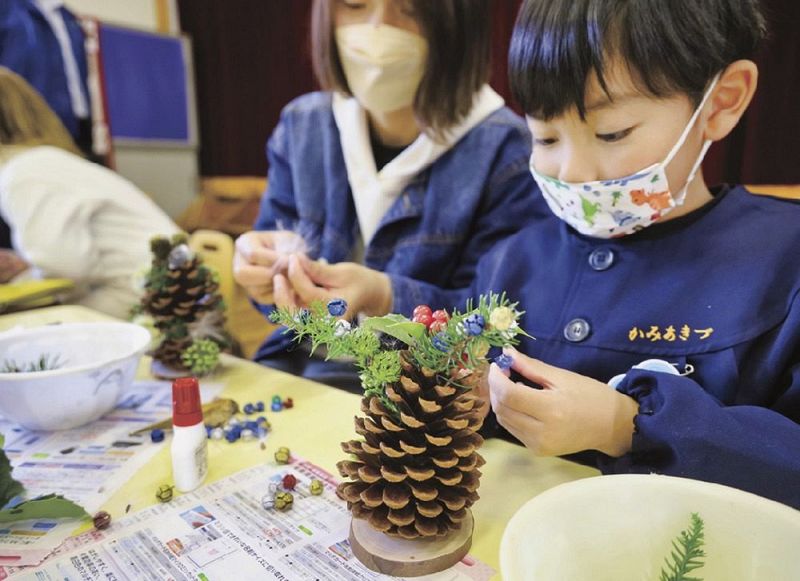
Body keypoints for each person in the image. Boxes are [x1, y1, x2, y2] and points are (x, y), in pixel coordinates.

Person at [470, 0, 800, 509]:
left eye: (611, 132)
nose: (573, 171)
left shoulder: (782, 261)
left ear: (720, 102)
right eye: (545, 136)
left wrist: (625, 426)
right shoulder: (515, 256)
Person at [234, 0, 546, 390]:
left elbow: (502, 322)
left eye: (412, 9)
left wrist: (384, 296)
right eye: (354, 4)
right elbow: (273, 301)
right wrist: (263, 270)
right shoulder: (302, 127)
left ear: (456, 23)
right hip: (302, 367)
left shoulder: (506, 151)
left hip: (425, 397)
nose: (377, 29)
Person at [0, 67, 180, 319]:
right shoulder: (44, 162)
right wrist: (25, 264)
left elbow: (66, 267)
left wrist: (22, 276)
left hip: (143, 296)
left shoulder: (24, 172)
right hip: (158, 285)